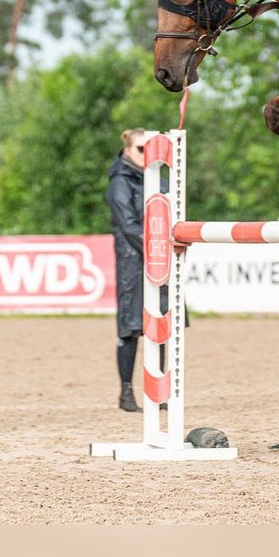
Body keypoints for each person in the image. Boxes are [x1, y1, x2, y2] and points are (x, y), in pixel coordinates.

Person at [106, 129, 152, 412]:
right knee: (130, 328)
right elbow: (129, 225)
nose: (145, 155)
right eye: (140, 149)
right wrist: (158, 247)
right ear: (126, 150)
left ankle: (160, 390)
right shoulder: (120, 182)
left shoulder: (157, 177)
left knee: (164, 326)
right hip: (133, 262)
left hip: (155, 258)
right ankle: (126, 391)